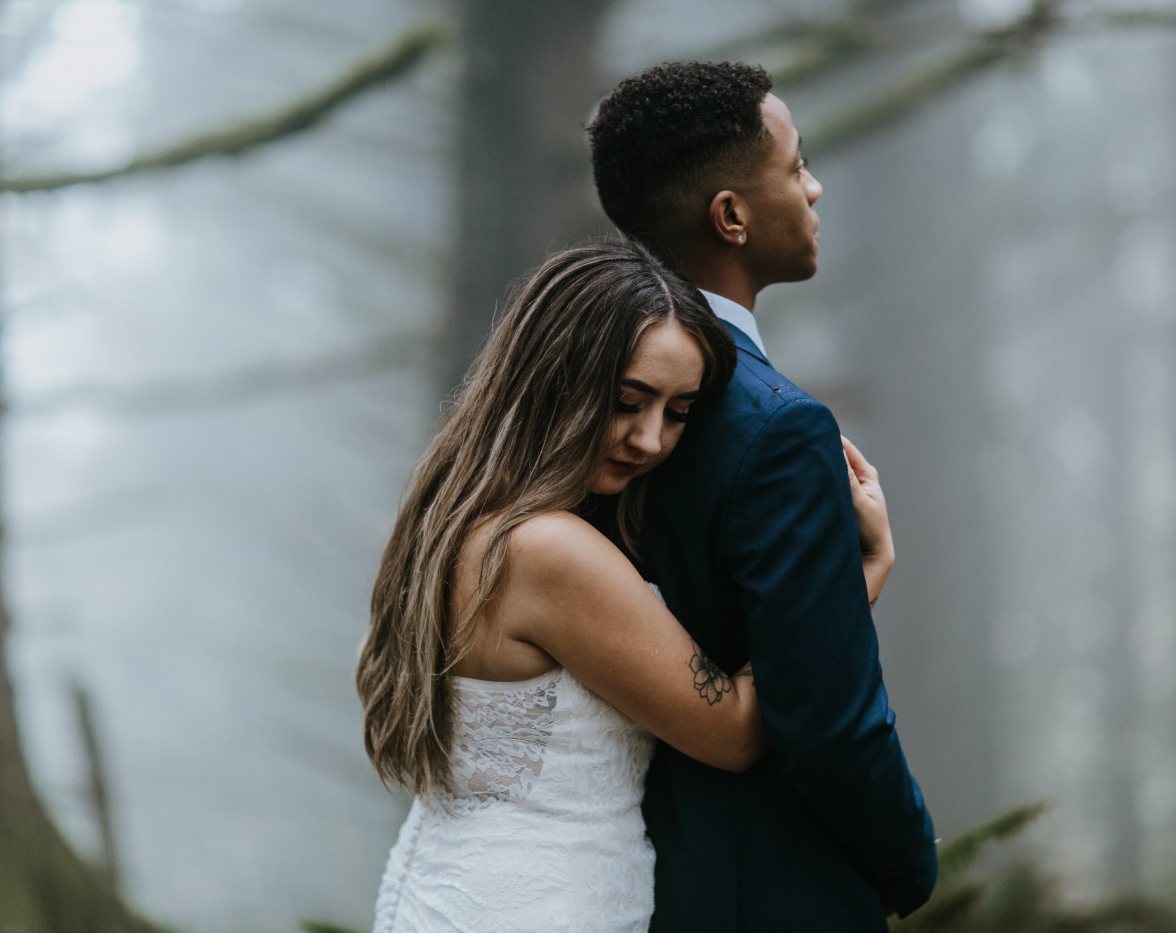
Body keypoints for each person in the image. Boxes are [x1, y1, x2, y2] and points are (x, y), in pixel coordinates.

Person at [357, 240, 895, 933]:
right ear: (557, 377)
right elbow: (732, 731)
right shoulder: (550, 552)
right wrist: (853, 581)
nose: (650, 439)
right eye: (628, 401)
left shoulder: (460, 518)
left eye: (677, 412)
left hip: (444, 891)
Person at [588, 61, 939, 931]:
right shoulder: (777, 427)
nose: (815, 190)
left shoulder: (581, 397)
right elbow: (826, 720)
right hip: (773, 890)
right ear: (731, 215)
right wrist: (911, 860)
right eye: (795, 167)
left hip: (628, 876)